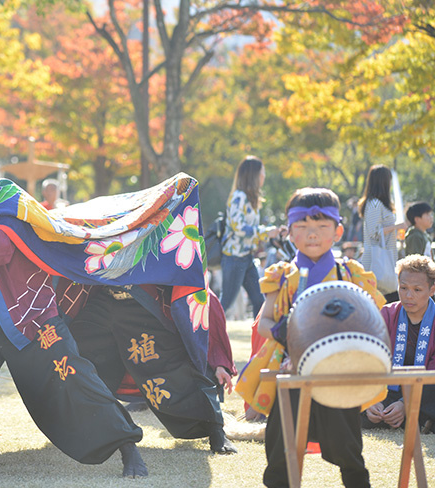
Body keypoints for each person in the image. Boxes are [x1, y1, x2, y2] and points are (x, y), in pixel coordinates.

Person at [0, 206, 148, 477]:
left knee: (71, 377)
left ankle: (127, 447)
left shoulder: (2, 195)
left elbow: (2, 244)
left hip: (29, 308)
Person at [254, 187, 384, 488]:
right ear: (289, 231)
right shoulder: (282, 275)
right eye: (302, 227)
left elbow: (372, 316)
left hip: (340, 371)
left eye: (322, 227)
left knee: (347, 445)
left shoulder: (350, 274)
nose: (312, 234)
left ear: (338, 231)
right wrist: (294, 340)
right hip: (291, 370)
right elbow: (265, 322)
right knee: (280, 444)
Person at [64, 284, 238, 454]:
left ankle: (215, 429)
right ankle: (90, 426)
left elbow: (199, 287)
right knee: (77, 350)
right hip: (102, 296)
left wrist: (218, 361)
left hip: (146, 300)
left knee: (174, 369)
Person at [363, 255, 435, 433]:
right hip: (388, 389)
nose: (409, 296)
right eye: (403, 288)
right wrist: (371, 399)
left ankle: (416, 414)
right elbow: (370, 359)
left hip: (424, 390)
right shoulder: (386, 313)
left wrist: (406, 403)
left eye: (417, 290)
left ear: (432, 290)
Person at [220, 156, 280, 316]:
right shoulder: (238, 197)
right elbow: (238, 228)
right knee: (225, 303)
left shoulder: (249, 199)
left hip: (246, 257)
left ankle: (259, 340)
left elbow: (249, 229)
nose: (264, 176)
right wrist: (265, 232)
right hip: (234, 257)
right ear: (253, 175)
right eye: (262, 172)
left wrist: (269, 233)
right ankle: (205, 337)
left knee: (259, 301)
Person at [359, 164, 404, 301]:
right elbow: (374, 232)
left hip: (382, 256)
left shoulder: (378, 203)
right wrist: (396, 226)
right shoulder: (375, 204)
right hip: (376, 259)